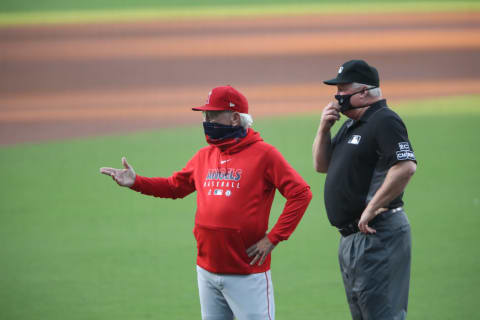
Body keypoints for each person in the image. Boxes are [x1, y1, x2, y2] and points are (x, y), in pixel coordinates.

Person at [100, 85, 312, 320]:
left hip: (246, 272)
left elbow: (301, 193)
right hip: (207, 270)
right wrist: (136, 182)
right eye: (204, 115)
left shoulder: (265, 155)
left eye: (212, 115)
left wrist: (274, 238)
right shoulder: (204, 156)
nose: (206, 120)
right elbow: (174, 187)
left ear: (234, 118)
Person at [312, 60, 417, 319]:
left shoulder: (384, 120)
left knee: (382, 314)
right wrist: (324, 128)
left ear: (364, 92)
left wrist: (370, 208)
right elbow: (321, 165)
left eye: (343, 90)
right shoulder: (351, 124)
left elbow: (405, 166)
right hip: (352, 239)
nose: (337, 96)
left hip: (378, 234)